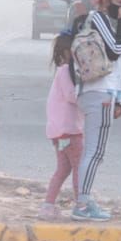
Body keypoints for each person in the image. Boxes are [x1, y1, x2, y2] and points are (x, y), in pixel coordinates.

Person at [71, 0, 121, 222]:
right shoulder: (99, 19)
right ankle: (82, 204)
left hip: (101, 91)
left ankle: (84, 201)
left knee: (93, 151)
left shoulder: (104, 21)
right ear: (106, 0)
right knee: (94, 151)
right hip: (99, 92)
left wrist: (120, 98)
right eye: (119, 3)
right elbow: (116, 51)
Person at [40, 33, 83, 220]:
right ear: (68, 52)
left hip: (58, 132)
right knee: (79, 168)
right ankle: (81, 205)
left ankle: (48, 206)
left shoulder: (60, 71)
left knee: (64, 169)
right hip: (70, 131)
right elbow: (71, 96)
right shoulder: (66, 71)